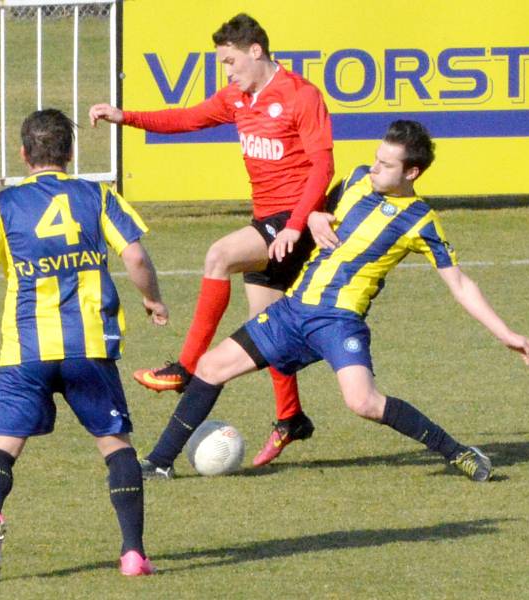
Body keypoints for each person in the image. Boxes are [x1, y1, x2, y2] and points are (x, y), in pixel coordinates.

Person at [136, 120, 529, 481]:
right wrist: (311, 217)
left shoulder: (421, 221)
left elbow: (459, 283)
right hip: (292, 311)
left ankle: (458, 454)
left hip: (338, 322)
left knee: (363, 402)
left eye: (387, 165)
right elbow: (312, 209)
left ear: (412, 172)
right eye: (377, 159)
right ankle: (159, 462)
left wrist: (505, 332)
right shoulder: (354, 180)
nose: (376, 168)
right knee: (210, 366)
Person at [89, 13, 335, 467]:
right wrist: (125, 116)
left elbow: (323, 167)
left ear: (255, 51)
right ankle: (291, 417)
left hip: (294, 220)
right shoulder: (237, 97)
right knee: (265, 328)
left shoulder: (301, 95)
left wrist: (297, 224)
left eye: (229, 61)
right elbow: (186, 119)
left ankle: (185, 367)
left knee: (219, 255)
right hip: (270, 220)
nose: (227, 71)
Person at [0, 109, 167, 581]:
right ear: (70, 153)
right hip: (88, 346)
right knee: (116, 448)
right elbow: (135, 255)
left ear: (24, 154)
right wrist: (152, 299)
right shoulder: (97, 195)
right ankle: (133, 553)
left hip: (24, 353)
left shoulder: (0, 205)